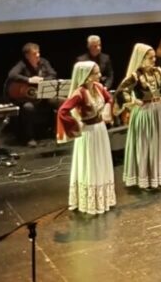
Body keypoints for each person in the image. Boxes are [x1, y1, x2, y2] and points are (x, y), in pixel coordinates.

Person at [116, 44, 161, 189]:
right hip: (144, 113)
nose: (154, 60)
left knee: (157, 144)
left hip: (157, 111)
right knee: (145, 144)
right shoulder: (136, 76)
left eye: (154, 57)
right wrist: (134, 101)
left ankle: (157, 175)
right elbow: (121, 92)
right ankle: (145, 177)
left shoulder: (158, 72)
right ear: (141, 59)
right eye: (150, 58)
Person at [57, 61, 116, 215]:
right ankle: (90, 201)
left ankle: (102, 199)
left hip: (100, 130)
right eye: (96, 73)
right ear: (87, 76)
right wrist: (76, 125)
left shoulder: (98, 87)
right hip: (88, 133)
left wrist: (107, 109)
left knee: (101, 162)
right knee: (91, 164)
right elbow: (63, 111)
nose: (100, 75)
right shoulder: (80, 93)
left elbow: (110, 99)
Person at [7, 43, 59, 147]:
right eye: (34, 54)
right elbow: (12, 75)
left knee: (59, 102)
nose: (38, 55)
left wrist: (42, 79)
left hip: (44, 95)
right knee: (28, 107)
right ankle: (29, 137)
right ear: (27, 56)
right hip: (29, 98)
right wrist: (29, 80)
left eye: (38, 52)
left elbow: (53, 74)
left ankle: (59, 132)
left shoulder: (44, 62)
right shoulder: (22, 64)